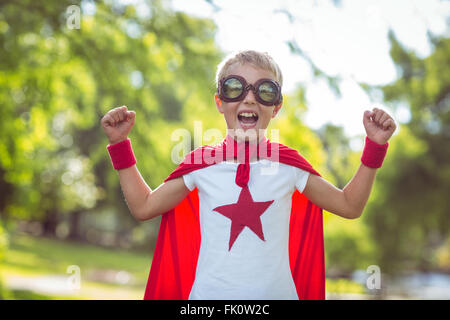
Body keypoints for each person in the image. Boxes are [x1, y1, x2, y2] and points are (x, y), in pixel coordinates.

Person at [100, 50, 396, 300]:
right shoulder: (201, 163)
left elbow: (349, 206)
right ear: (219, 101)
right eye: (235, 88)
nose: (250, 99)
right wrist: (119, 145)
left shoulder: (289, 165)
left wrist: (374, 147)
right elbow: (144, 207)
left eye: (264, 90)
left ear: (276, 106)